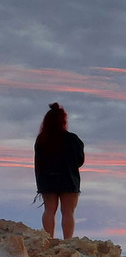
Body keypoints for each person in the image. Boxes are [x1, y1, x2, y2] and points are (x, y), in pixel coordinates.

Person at [34, 102, 86, 239]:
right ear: (63, 121)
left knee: (49, 210)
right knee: (68, 212)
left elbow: (38, 162)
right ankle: (67, 241)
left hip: (47, 179)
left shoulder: (42, 140)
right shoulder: (72, 139)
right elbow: (80, 160)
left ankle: (49, 239)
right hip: (68, 179)